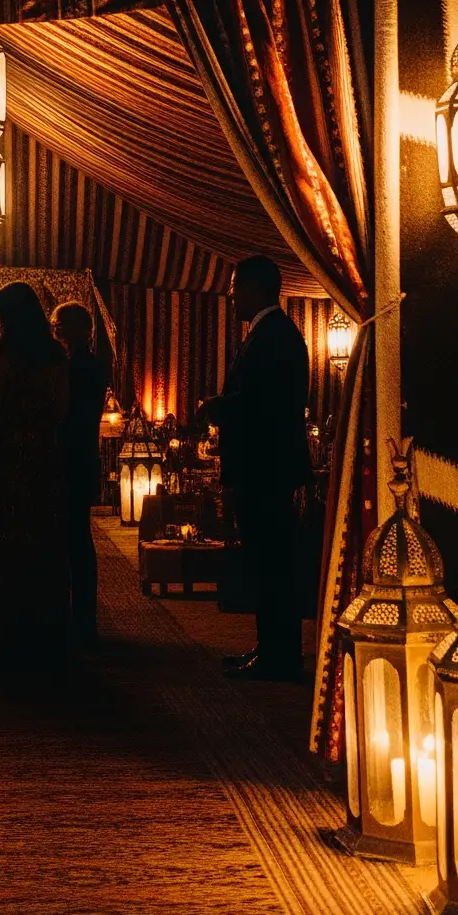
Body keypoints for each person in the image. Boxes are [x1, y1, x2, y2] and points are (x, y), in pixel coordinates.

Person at [208, 253, 311, 681]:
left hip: (265, 468)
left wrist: (217, 408)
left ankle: (279, 655)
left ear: (253, 290)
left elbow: (264, 404)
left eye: (234, 291)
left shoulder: (274, 336)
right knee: (267, 562)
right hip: (265, 467)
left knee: (272, 564)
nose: (231, 299)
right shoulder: (270, 333)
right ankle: (270, 647)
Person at [0, 282, 71, 669]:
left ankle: (6, 638)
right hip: (46, 456)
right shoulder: (57, 356)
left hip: (10, 457)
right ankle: (46, 637)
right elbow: (62, 410)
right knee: (44, 542)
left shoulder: (2, 357)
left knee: (6, 543)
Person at [51, 301, 110, 645]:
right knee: (77, 539)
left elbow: (64, 414)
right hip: (84, 456)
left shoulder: (74, 367)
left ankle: (80, 621)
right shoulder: (93, 364)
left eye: (58, 324)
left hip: (70, 458)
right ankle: (82, 617)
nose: (53, 329)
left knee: (73, 541)